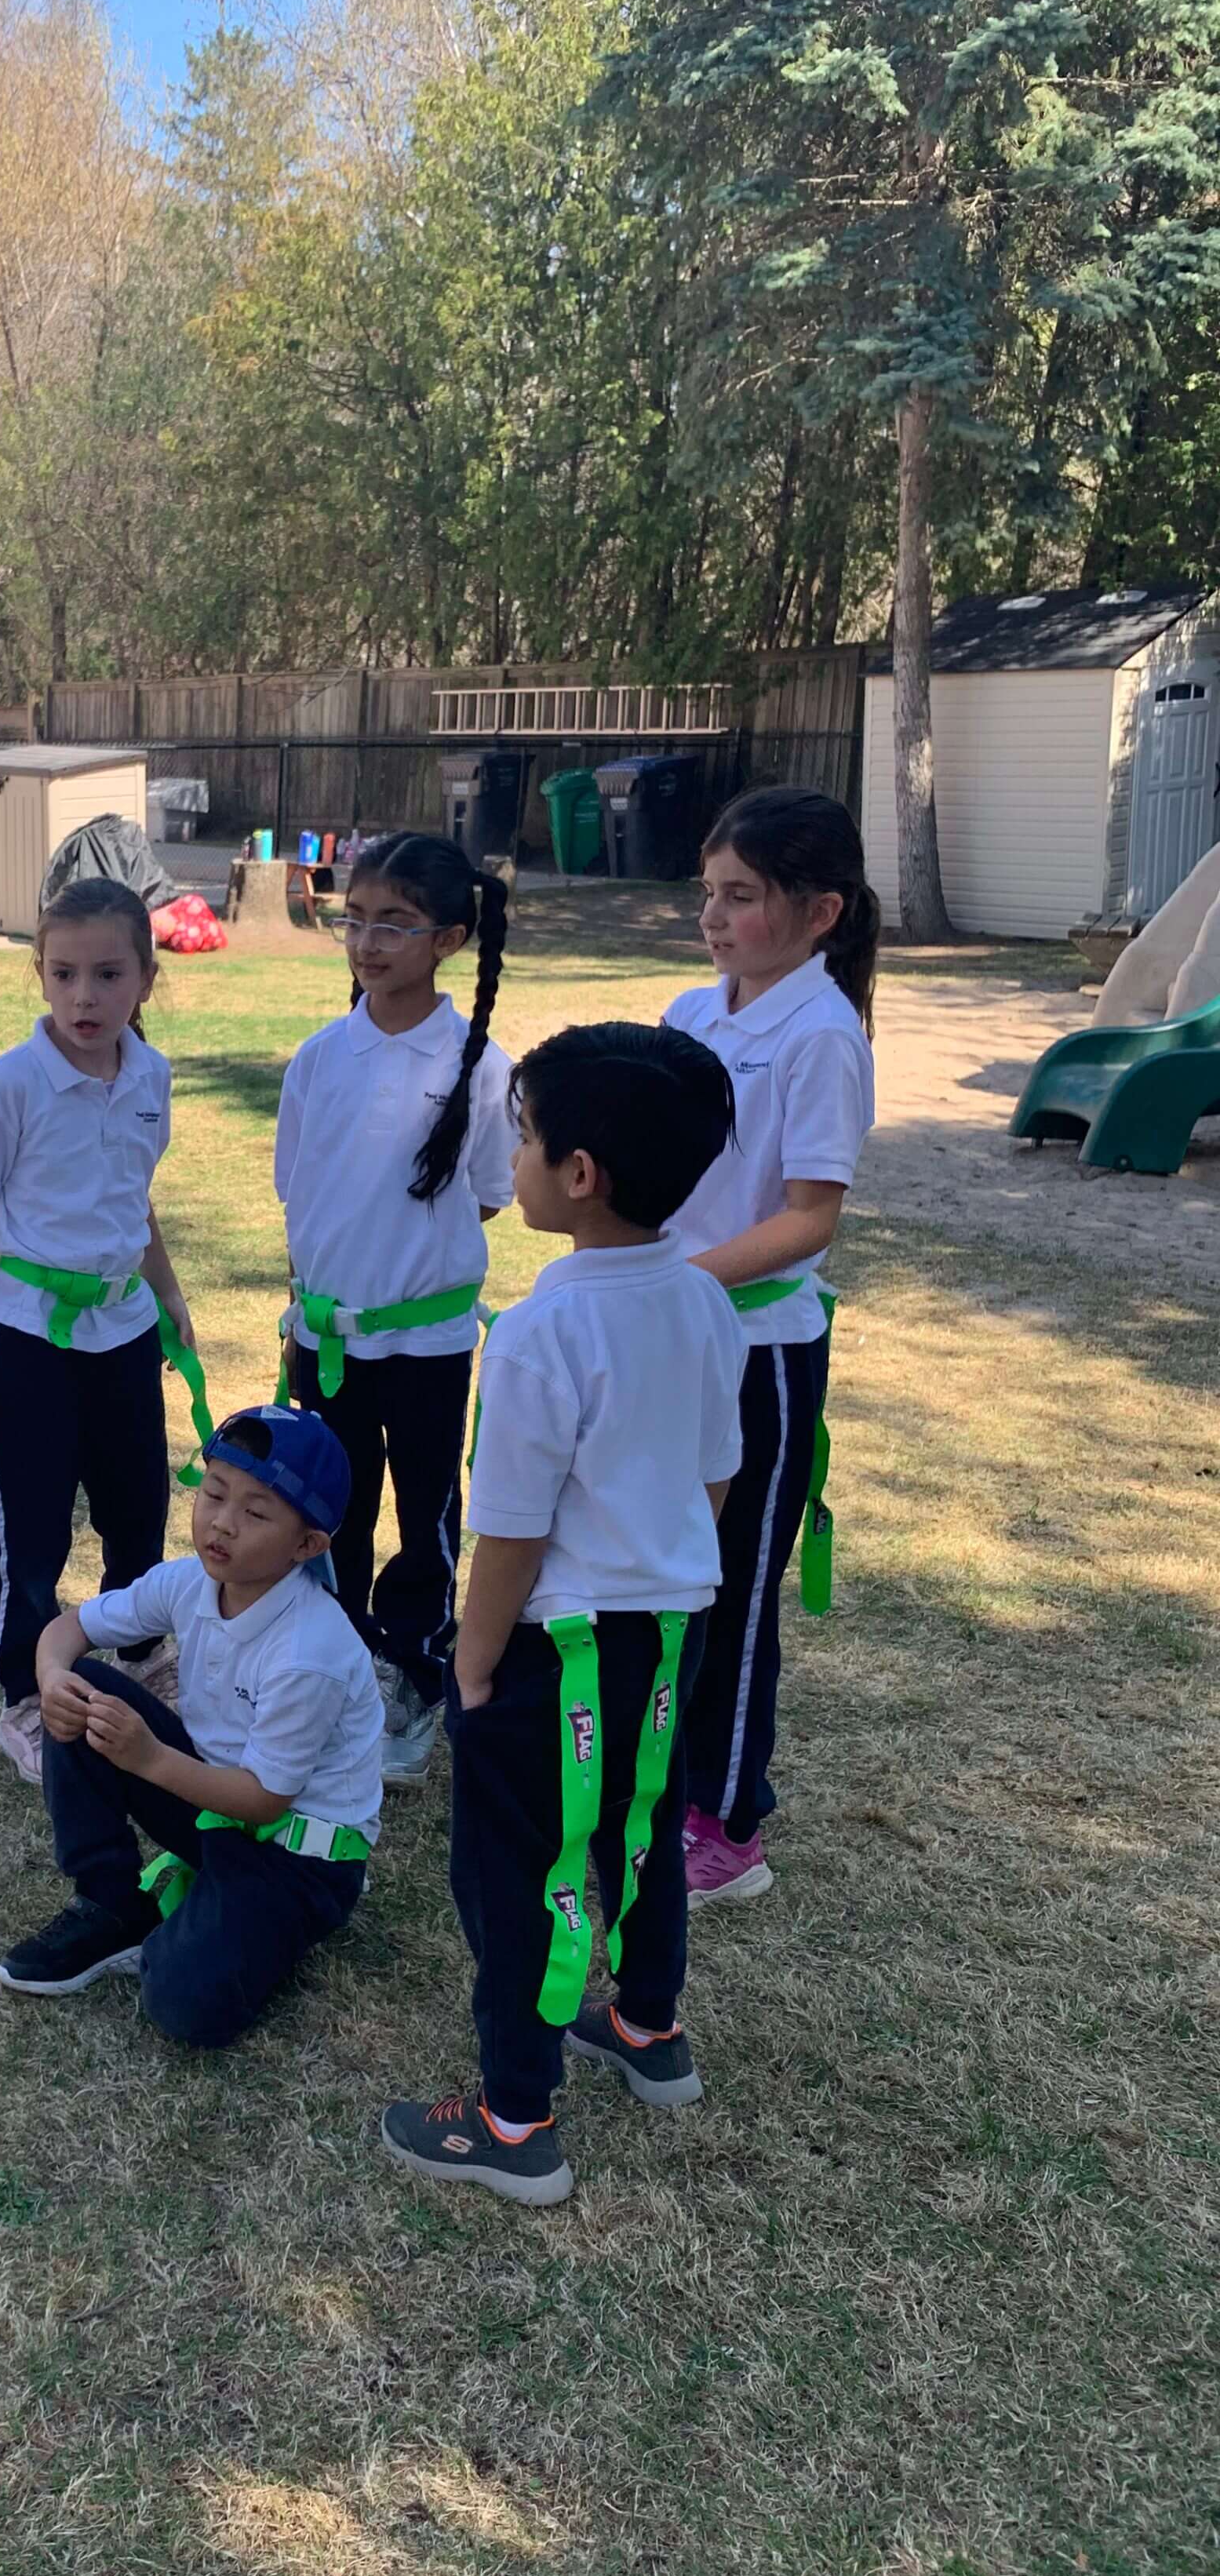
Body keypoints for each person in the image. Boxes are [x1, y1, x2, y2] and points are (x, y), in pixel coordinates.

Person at [381, 1023, 745, 2208]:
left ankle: (514, 2117)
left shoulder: (541, 1330)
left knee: (520, 1875)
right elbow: (714, 1478)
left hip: (560, 1648)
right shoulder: (703, 1306)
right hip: (668, 1635)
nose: (516, 1155)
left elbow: (512, 1533)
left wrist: (472, 1669)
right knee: (639, 1835)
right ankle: (649, 2030)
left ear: (578, 1175)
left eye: (526, 1136)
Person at [0, 875, 203, 1786]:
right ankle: (26, 1698)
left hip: (123, 1336)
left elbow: (137, 1199)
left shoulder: (150, 1074)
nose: (87, 996)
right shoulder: (10, 1085)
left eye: (109, 974)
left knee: (136, 1507)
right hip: (31, 1341)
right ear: (40, 975)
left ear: (147, 980)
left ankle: (142, 1656)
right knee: (31, 1532)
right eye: (66, 973)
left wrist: (168, 1295)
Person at [0, 1405, 384, 2050]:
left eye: (257, 1513)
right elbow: (71, 1630)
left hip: (299, 1854)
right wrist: (53, 1679)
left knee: (183, 2004)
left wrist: (149, 1760)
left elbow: (265, 1798)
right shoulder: (190, 1582)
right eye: (214, 1494)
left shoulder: (309, 1650)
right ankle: (112, 1904)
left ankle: (254, 1915)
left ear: (308, 1545)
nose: (222, 1524)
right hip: (213, 1806)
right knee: (86, 1694)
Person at [661, 788, 878, 1908]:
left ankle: (728, 1824)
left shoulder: (822, 1036)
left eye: (740, 897)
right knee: (664, 1570)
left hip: (761, 1354)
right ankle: (661, 1782)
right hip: (674, 1344)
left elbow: (809, 1217)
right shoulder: (693, 1014)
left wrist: (677, 1280)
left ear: (819, 911)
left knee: (736, 1587)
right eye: (709, 893)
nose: (714, 916)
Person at [275, 830, 512, 1792]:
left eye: (397, 925)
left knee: (423, 1511)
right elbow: (299, 1185)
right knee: (327, 1507)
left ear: (449, 938)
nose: (368, 942)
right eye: (355, 918)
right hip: (324, 1340)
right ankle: (337, 1667)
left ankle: (414, 1673)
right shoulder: (320, 1056)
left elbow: (490, 1192)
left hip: (426, 1345)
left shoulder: (478, 1065)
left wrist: (407, 1269)